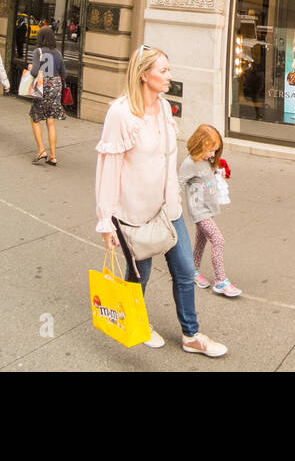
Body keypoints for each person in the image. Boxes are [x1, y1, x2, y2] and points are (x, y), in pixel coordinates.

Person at [96, 46, 227, 357]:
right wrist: (106, 220)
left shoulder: (166, 108)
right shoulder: (121, 113)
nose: (170, 76)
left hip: (169, 210)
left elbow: (169, 161)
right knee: (138, 275)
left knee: (184, 271)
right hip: (135, 214)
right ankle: (136, 322)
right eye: (163, 71)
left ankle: (191, 335)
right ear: (144, 75)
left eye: (169, 70)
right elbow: (108, 168)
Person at [179, 124, 242, 297]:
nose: (213, 155)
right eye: (211, 150)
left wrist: (216, 172)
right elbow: (179, 182)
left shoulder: (205, 161)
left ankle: (192, 270)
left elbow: (206, 175)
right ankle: (221, 281)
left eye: (215, 151)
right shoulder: (189, 163)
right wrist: (174, 200)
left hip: (208, 208)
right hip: (200, 211)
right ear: (199, 145)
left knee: (201, 240)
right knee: (218, 239)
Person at [28, 25, 67, 166]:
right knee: (50, 120)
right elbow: (64, 74)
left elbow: (34, 72)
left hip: (42, 85)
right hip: (56, 86)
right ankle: (53, 156)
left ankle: (41, 150)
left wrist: (30, 68)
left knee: (35, 117)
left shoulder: (38, 51)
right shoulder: (58, 52)